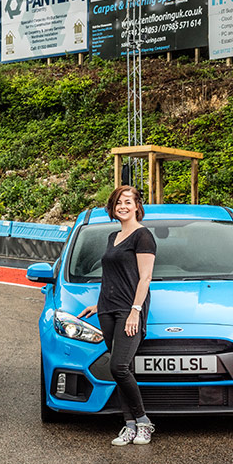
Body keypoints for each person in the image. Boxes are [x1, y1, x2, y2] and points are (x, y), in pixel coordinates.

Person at [78, 185, 156, 446]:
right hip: (108, 308)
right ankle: (129, 425)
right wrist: (99, 305)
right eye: (117, 203)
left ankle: (144, 423)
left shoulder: (143, 236)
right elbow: (112, 277)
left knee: (118, 366)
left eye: (127, 202)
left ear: (137, 206)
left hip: (128, 310)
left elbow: (145, 278)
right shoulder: (113, 236)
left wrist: (135, 312)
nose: (122, 206)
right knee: (124, 368)